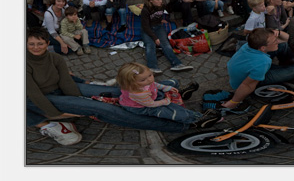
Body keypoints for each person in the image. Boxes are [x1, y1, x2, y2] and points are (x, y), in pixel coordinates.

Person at [27, 27, 191, 146]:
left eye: (39, 43)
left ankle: (161, 94)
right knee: (105, 109)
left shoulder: (55, 58)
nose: (35, 47)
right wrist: (60, 113)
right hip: (45, 97)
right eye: (31, 44)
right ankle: (178, 125)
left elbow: (65, 80)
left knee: (115, 91)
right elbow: (34, 94)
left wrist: (80, 97)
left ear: (47, 43)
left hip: (63, 89)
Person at [115, 62, 221, 129]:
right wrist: (165, 101)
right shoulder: (139, 94)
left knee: (172, 82)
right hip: (143, 107)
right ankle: (196, 120)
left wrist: (168, 88)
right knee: (170, 110)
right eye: (144, 79)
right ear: (131, 83)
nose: (150, 79)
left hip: (152, 96)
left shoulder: (145, 83)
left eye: (150, 75)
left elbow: (154, 84)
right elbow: (151, 104)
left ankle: (180, 93)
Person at [220, 28, 294, 110]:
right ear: (263, 48)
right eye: (274, 41)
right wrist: (234, 102)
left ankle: (286, 66)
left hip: (250, 68)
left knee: (283, 45)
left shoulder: (249, 45)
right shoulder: (262, 62)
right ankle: (286, 69)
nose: (277, 41)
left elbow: (285, 40)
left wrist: (276, 33)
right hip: (248, 79)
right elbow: (247, 85)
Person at [139, 0, 193, 73]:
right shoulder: (145, 10)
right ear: (151, 0)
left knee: (165, 44)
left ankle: (177, 64)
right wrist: (155, 38)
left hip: (158, 26)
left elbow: (167, 11)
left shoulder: (162, 5)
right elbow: (145, 26)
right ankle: (152, 68)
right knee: (150, 45)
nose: (161, 1)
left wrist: (161, 20)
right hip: (148, 29)